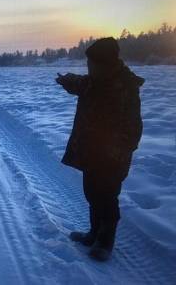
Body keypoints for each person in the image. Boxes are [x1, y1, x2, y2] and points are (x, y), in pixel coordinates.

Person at [55, 37, 144, 261]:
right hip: (92, 150)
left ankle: (105, 241)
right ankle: (93, 233)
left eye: (92, 63)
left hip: (113, 156)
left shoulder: (125, 87)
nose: (89, 67)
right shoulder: (94, 80)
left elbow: (134, 127)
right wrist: (66, 80)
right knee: (91, 192)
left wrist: (120, 152)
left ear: (105, 63)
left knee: (107, 197)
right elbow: (79, 83)